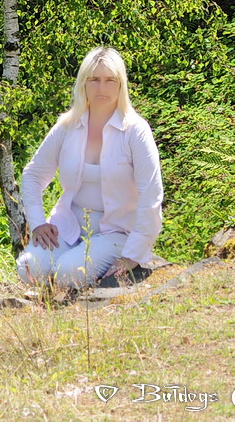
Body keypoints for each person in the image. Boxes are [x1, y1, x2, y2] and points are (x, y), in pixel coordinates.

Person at [16, 46, 163, 289]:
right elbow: (33, 174)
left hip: (117, 233)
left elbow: (151, 194)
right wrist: (38, 223)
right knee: (29, 268)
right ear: (83, 83)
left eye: (110, 80)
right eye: (94, 79)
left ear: (121, 84)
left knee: (67, 274)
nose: (101, 88)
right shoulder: (67, 126)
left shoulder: (135, 131)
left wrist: (133, 255)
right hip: (68, 225)